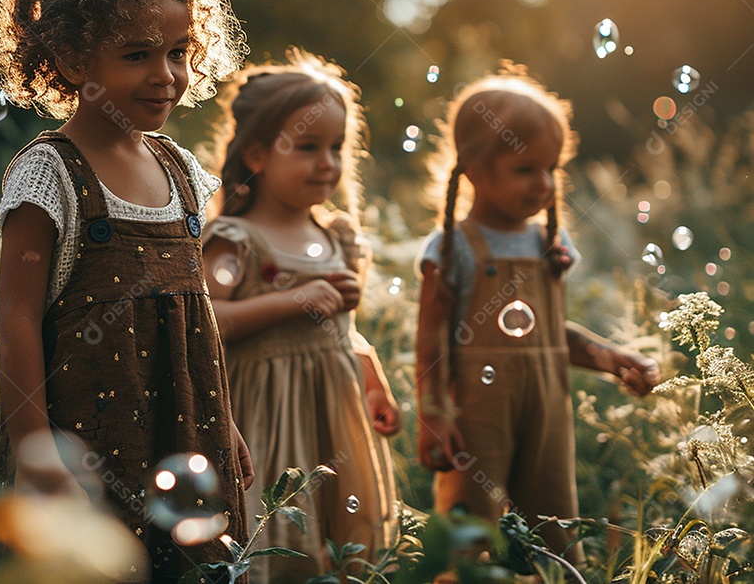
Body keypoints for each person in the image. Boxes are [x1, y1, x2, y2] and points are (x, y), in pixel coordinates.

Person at [0, 0, 254, 581]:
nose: (166, 75)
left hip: (185, 433)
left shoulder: (182, 170)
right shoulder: (52, 174)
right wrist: (34, 451)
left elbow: (193, 312)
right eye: (137, 55)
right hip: (85, 442)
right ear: (75, 61)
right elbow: (17, 320)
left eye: (178, 53)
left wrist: (225, 420)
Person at [414, 62, 661, 559]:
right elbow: (430, 340)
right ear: (475, 170)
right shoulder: (453, 248)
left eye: (552, 169)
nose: (544, 184)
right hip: (478, 413)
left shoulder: (550, 242)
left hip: (548, 411)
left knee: (554, 524)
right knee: (469, 527)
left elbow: (551, 333)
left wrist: (612, 358)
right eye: (525, 169)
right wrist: (434, 413)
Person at [202, 49, 400, 583]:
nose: (327, 163)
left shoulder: (336, 237)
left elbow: (344, 333)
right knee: (279, 542)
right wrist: (295, 299)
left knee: (340, 544)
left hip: (334, 415)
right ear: (259, 154)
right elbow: (205, 322)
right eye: (309, 147)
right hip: (265, 418)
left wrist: (373, 379)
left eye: (336, 147)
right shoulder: (235, 240)